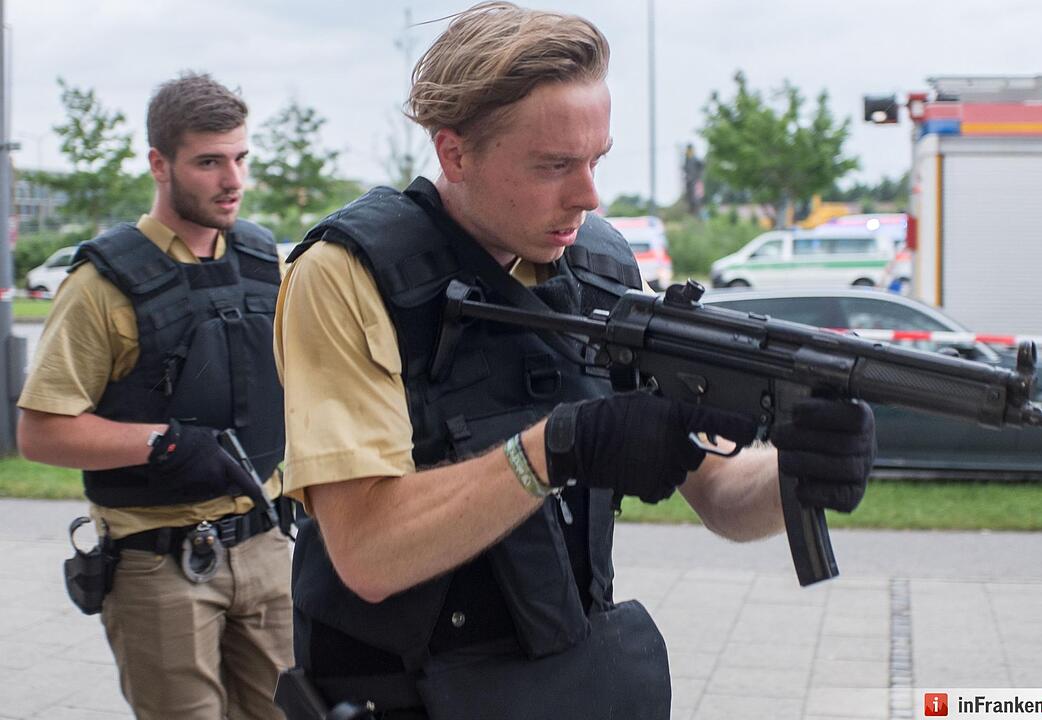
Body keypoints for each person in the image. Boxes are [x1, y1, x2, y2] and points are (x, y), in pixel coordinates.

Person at [273, 4, 875, 719]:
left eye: (596, 160)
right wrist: (553, 451)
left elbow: (719, 494)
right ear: (454, 154)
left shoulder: (601, 270)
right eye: (555, 165)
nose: (589, 196)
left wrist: (797, 469)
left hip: (563, 689)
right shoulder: (348, 274)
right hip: (401, 697)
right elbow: (368, 553)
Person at [17, 72, 292, 720]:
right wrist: (164, 444)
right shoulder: (102, 284)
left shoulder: (263, 260)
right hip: (161, 561)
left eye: (241, 158)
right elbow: (40, 432)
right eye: (209, 162)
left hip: (267, 546)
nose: (233, 180)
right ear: (159, 164)